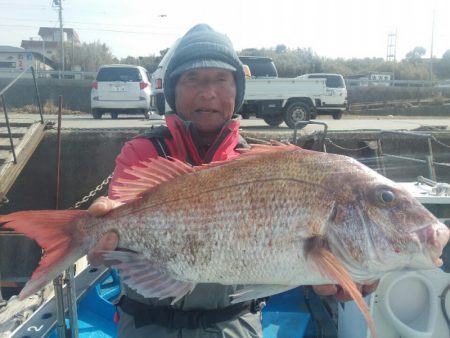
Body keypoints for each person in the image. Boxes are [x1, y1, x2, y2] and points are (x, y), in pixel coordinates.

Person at [87, 24, 378, 338]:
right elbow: (118, 218)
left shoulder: (262, 164)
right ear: (173, 89)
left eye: (221, 79)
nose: (207, 92)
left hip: (233, 324)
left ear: (237, 90)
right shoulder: (142, 152)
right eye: (193, 79)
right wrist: (99, 232)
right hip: (147, 325)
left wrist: (341, 273)